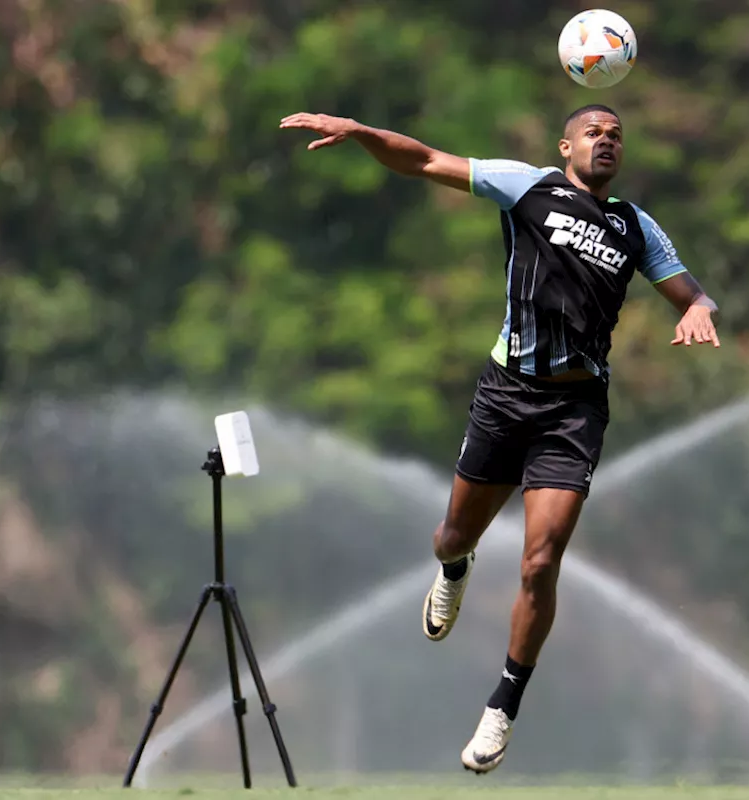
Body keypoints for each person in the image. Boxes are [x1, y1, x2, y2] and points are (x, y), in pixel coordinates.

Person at [280, 103, 720, 773]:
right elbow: (425, 159)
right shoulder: (529, 186)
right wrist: (364, 134)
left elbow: (693, 293)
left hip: (574, 411)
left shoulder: (635, 227)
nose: (606, 141)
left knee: (541, 562)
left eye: (617, 135)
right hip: (506, 395)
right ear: (565, 145)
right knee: (453, 535)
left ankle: (503, 705)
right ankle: (454, 568)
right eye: (593, 133)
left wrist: (696, 311)